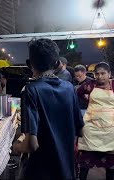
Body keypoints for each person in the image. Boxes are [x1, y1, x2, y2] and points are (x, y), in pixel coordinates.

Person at [13, 38, 84, 180]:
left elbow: (31, 145)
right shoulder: (69, 88)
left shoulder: (30, 90)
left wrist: (17, 146)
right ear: (57, 64)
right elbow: (81, 130)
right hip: (66, 171)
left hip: (40, 173)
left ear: (30, 64)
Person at [76, 62, 114, 180]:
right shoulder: (89, 85)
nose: (100, 76)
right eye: (97, 74)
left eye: (103, 73)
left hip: (110, 129)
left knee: (111, 165)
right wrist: (86, 99)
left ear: (109, 74)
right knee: (85, 164)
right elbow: (77, 93)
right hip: (91, 129)